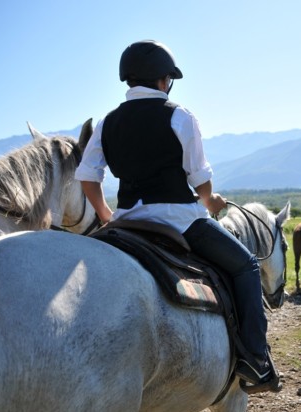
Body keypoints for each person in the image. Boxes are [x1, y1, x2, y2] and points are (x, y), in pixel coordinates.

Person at [75, 40, 280, 393]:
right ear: (163, 79)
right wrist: (211, 201)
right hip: (180, 221)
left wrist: (107, 214)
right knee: (246, 266)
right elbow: (200, 178)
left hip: (125, 223)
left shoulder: (108, 122)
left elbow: (87, 176)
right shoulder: (180, 115)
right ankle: (255, 361)